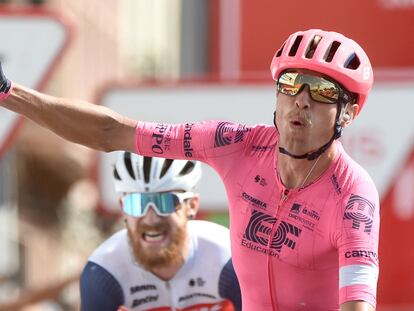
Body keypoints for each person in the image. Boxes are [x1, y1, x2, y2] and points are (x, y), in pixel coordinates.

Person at [0, 29, 380, 310]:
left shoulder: (352, 196)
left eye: (323, 91)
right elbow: (111, 131)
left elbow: (357, 304)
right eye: (291, 83)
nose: (301, 101)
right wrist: (8, 92)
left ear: (349, 111)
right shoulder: (238, 145)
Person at [79, 152, 242, 311]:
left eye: (165, 202)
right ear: (123, 209)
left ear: (191, 205)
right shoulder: (105, 270)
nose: (151, 219)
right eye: (137, 204)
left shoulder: (226, 257)